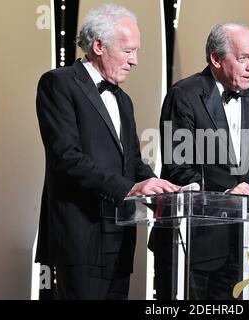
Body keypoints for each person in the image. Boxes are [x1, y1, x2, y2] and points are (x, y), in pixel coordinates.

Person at [35, 4, 179, 300]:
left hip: (121, 236)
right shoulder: (58, 83)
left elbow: (133, 162)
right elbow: (66, 157)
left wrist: (160, 189)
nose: (135, 61)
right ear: (98, 45)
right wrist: (130, 188)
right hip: (80, 236)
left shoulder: (124, 100)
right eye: (128, 51)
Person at [151, 22, 249, 299]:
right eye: (244, 58)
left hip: (240, 243)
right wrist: (224, 195)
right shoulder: (184, 95)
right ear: (216, 59)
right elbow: (177, 169)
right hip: (191, 244)